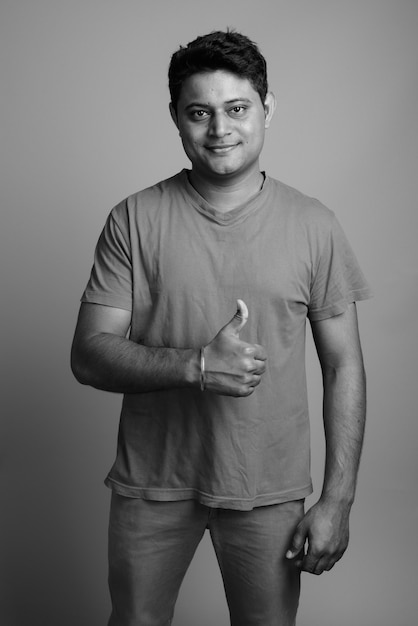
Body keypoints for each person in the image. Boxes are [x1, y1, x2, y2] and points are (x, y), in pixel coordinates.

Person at [71, 29, 372, 626]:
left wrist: (337, 499)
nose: (219, 129)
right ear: (176, 119)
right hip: (152, 483)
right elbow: (88, 355)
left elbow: (344, 365)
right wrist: (195, 365)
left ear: (268, 109)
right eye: (199, 112)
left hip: (268, 487)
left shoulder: (315, 225)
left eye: (237, 109)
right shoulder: (133, 219)